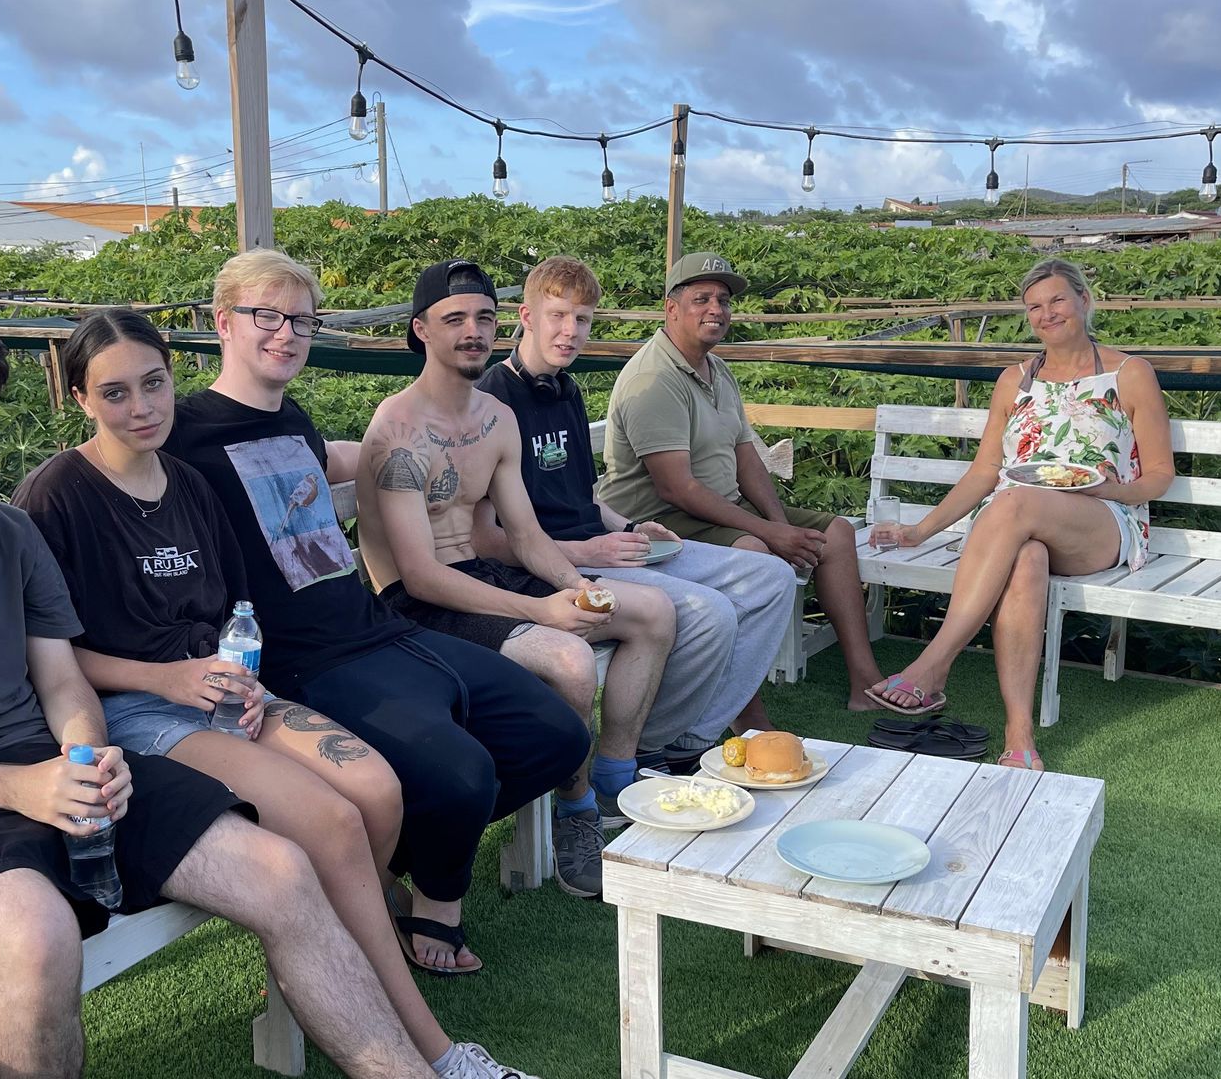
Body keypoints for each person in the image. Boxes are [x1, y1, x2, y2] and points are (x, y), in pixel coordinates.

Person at [0, 306, 446, 1079]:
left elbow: (60, 679)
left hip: (55, 772)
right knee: (38, 939)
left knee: (282, 871)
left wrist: (86, 754)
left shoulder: (6, 532)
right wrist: (23, 787)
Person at [10, 309, 538, 1078]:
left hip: (217, 689)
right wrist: (168, 678)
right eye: (115, 393)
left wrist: (245, 676)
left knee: (376, 788)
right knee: (332, 820)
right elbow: (49, 659)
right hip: (133, 709)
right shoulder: (57, 495)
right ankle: (438, 1052)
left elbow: (232, 608)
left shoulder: (189, 485)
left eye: (154, 384)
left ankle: (336, 957)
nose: (142, 407)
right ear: (81, 398)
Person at [164, 249, 588, 977]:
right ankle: (435, 903)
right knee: (462, 772)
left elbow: (323, 459)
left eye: (302, 320)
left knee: (556, 733)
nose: (286, 334)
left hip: (373, 627)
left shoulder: (292, 417)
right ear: (223, 321)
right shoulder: (180, 433)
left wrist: (377, 452)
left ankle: (390, 862)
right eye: (267, 316)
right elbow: (111, 480)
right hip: (298, 658)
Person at [357, 258, 676, 900]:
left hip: (481, 577)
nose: (473, 331)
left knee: (653, 613)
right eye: (454, 319)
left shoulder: (496, 419)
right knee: (569, 658)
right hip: (416, 606)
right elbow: (419, 576)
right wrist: (544, 612)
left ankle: (614, 777)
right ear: (421, 329)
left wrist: (577, 588)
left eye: (483, 317)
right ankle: (575, 811)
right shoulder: (398, 430)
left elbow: (526, 537)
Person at [471, 256, 798, 774]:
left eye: (582, 319)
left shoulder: (565, 389)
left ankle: (688, 736)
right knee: (709, 612)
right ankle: (649, 751)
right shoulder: (493, 399)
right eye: (557, 316)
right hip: (556, 566)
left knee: (772, 578)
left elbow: (584, 495)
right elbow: (486, 538)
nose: (570, 331)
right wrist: (589, 550)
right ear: (526, 317)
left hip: (606, 547)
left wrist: (626, 526)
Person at [865, 258, 1174, 770]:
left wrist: (1115, 490)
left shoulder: (1129, 374)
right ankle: (1020, 737)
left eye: (1057, 300)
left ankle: (934, 664)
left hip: (1101, 519)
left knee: (1013, 503)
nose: (1047, 313)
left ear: (1084, 300)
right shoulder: (1015, 380)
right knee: (1027, 558)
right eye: (1034, 307)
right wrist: (920, 531)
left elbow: (1160, 474)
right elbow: (986, 470)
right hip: (1013, 522)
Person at [596, 251, 889, 711]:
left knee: (835, 533)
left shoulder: (716, 368)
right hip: (658, 519)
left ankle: (865, 682)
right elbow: (677, 489)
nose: (716, 309)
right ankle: (742, 714)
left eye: (723, 300)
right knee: (754, 553)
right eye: (702, 299)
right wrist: (769, 534)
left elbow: (746, 456)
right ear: (671, 308)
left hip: (717, 506)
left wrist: (780, 525)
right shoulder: (653, 379)